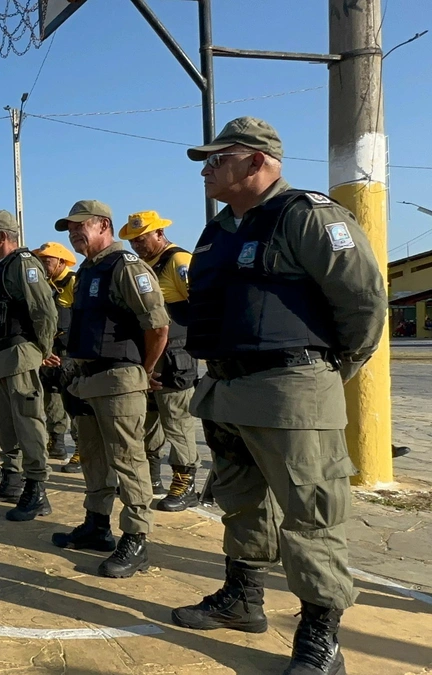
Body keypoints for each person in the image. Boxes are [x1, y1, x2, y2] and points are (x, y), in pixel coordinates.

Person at [171, 116, 386, 675]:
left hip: (291, 390)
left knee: (312, 515)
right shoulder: (218, 230)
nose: (208, 168)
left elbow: (363, 301)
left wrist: (328, 374)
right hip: (225, 389)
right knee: (240, 502)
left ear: (258, 161)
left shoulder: (307, 216)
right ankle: (243, 599)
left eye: (220, 158)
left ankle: (321, 638)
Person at [49, 200, 170, 579]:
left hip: (119, 379)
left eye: (79, 226)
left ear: (103, 225)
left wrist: (143, 371)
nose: (73, 234)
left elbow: (157, 325)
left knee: (128, 461)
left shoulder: (126, 266)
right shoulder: (88, 269)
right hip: (86, 380)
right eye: (68, 229)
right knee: (93, 457)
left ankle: (136, 539)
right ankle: (96, 524)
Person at [0, 210, 58, 522]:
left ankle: (36, 490)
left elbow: (44, 310)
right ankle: (12, 480)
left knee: (29, 423)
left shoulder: (23, 265)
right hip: (3, 356)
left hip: (20, 354)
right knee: (7, 426)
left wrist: (43, 349)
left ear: (3, 236)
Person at [119, 211, 201, 512]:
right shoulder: (144, 267)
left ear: (159, 234)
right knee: (149, 420)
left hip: (175, 355)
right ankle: (151, 476)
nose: (138, 245)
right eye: (133, 241)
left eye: (142, 239)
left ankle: (184, 481)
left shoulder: (179, 261)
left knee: (176, 421)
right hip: (149, 354)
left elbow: (201, 305)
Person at [33, 242, 79, 466]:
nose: (43, 264)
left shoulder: (72, 281)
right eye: (40, 260)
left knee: (75, 400)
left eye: (46, 260)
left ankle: (81, 447)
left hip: (69, 353)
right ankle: (57, 441)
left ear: (61, 261)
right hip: (50, 353)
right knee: (52, 400)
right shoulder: (45, 285)